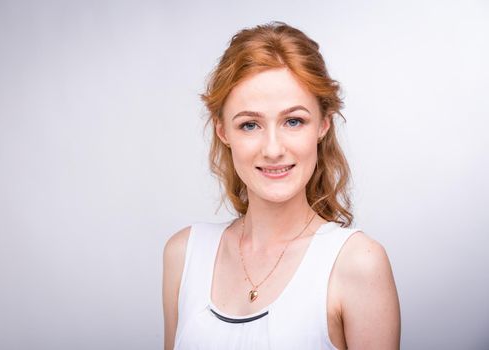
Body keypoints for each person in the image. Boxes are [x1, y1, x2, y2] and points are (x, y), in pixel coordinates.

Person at [163, 21, 400, 350]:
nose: (273, 149)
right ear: (223, 132)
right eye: (249, 124)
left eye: (293, 121)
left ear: (322, 125)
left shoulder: (357, 262)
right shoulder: (184, 253)